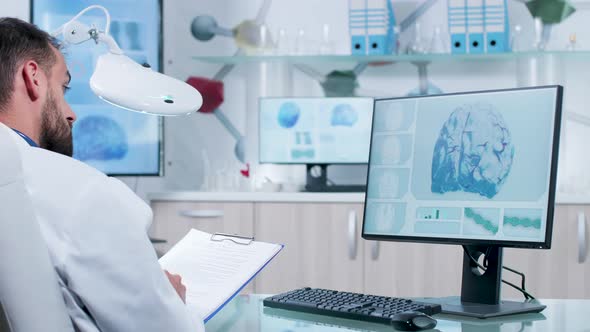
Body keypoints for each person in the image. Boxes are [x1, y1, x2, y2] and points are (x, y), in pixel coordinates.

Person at [0, 18, 204, 332]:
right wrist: (173, 301)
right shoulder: (81, 194)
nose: (71, 113)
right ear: (33, 78)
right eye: (63, 87)